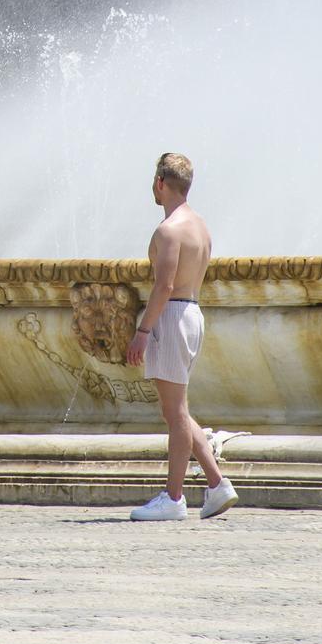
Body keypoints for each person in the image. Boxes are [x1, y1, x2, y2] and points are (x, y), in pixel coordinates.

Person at [124, 153, 238, 522]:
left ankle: (173, 499)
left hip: (171, 315)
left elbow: (164, 284)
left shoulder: (169, 230)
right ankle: (217, 484)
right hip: (192, 313)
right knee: (179, 410)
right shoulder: (201, 227)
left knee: (174, 414)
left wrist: (142, 331)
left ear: (160, 182)